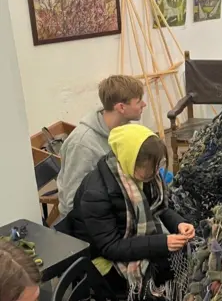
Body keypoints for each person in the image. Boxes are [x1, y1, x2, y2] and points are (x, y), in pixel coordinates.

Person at [68, 124, 194, 297]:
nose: (154, 173)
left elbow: (160, 208)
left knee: (179, 263)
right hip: (102, 257)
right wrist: (162, 243)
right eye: (149, 169)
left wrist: (179, 224)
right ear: (129, 159)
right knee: (151, 284)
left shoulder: (144, 175)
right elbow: (110, 247)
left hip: (130, 240)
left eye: (157, 166)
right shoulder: (96, 194)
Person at [57, 75, 146, 218]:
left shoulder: (125, 128)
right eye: (139, 101)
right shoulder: (82, 144)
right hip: (91, 223)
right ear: (121, 107)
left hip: (118, 206)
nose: (144, 104)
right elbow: (72, 202)